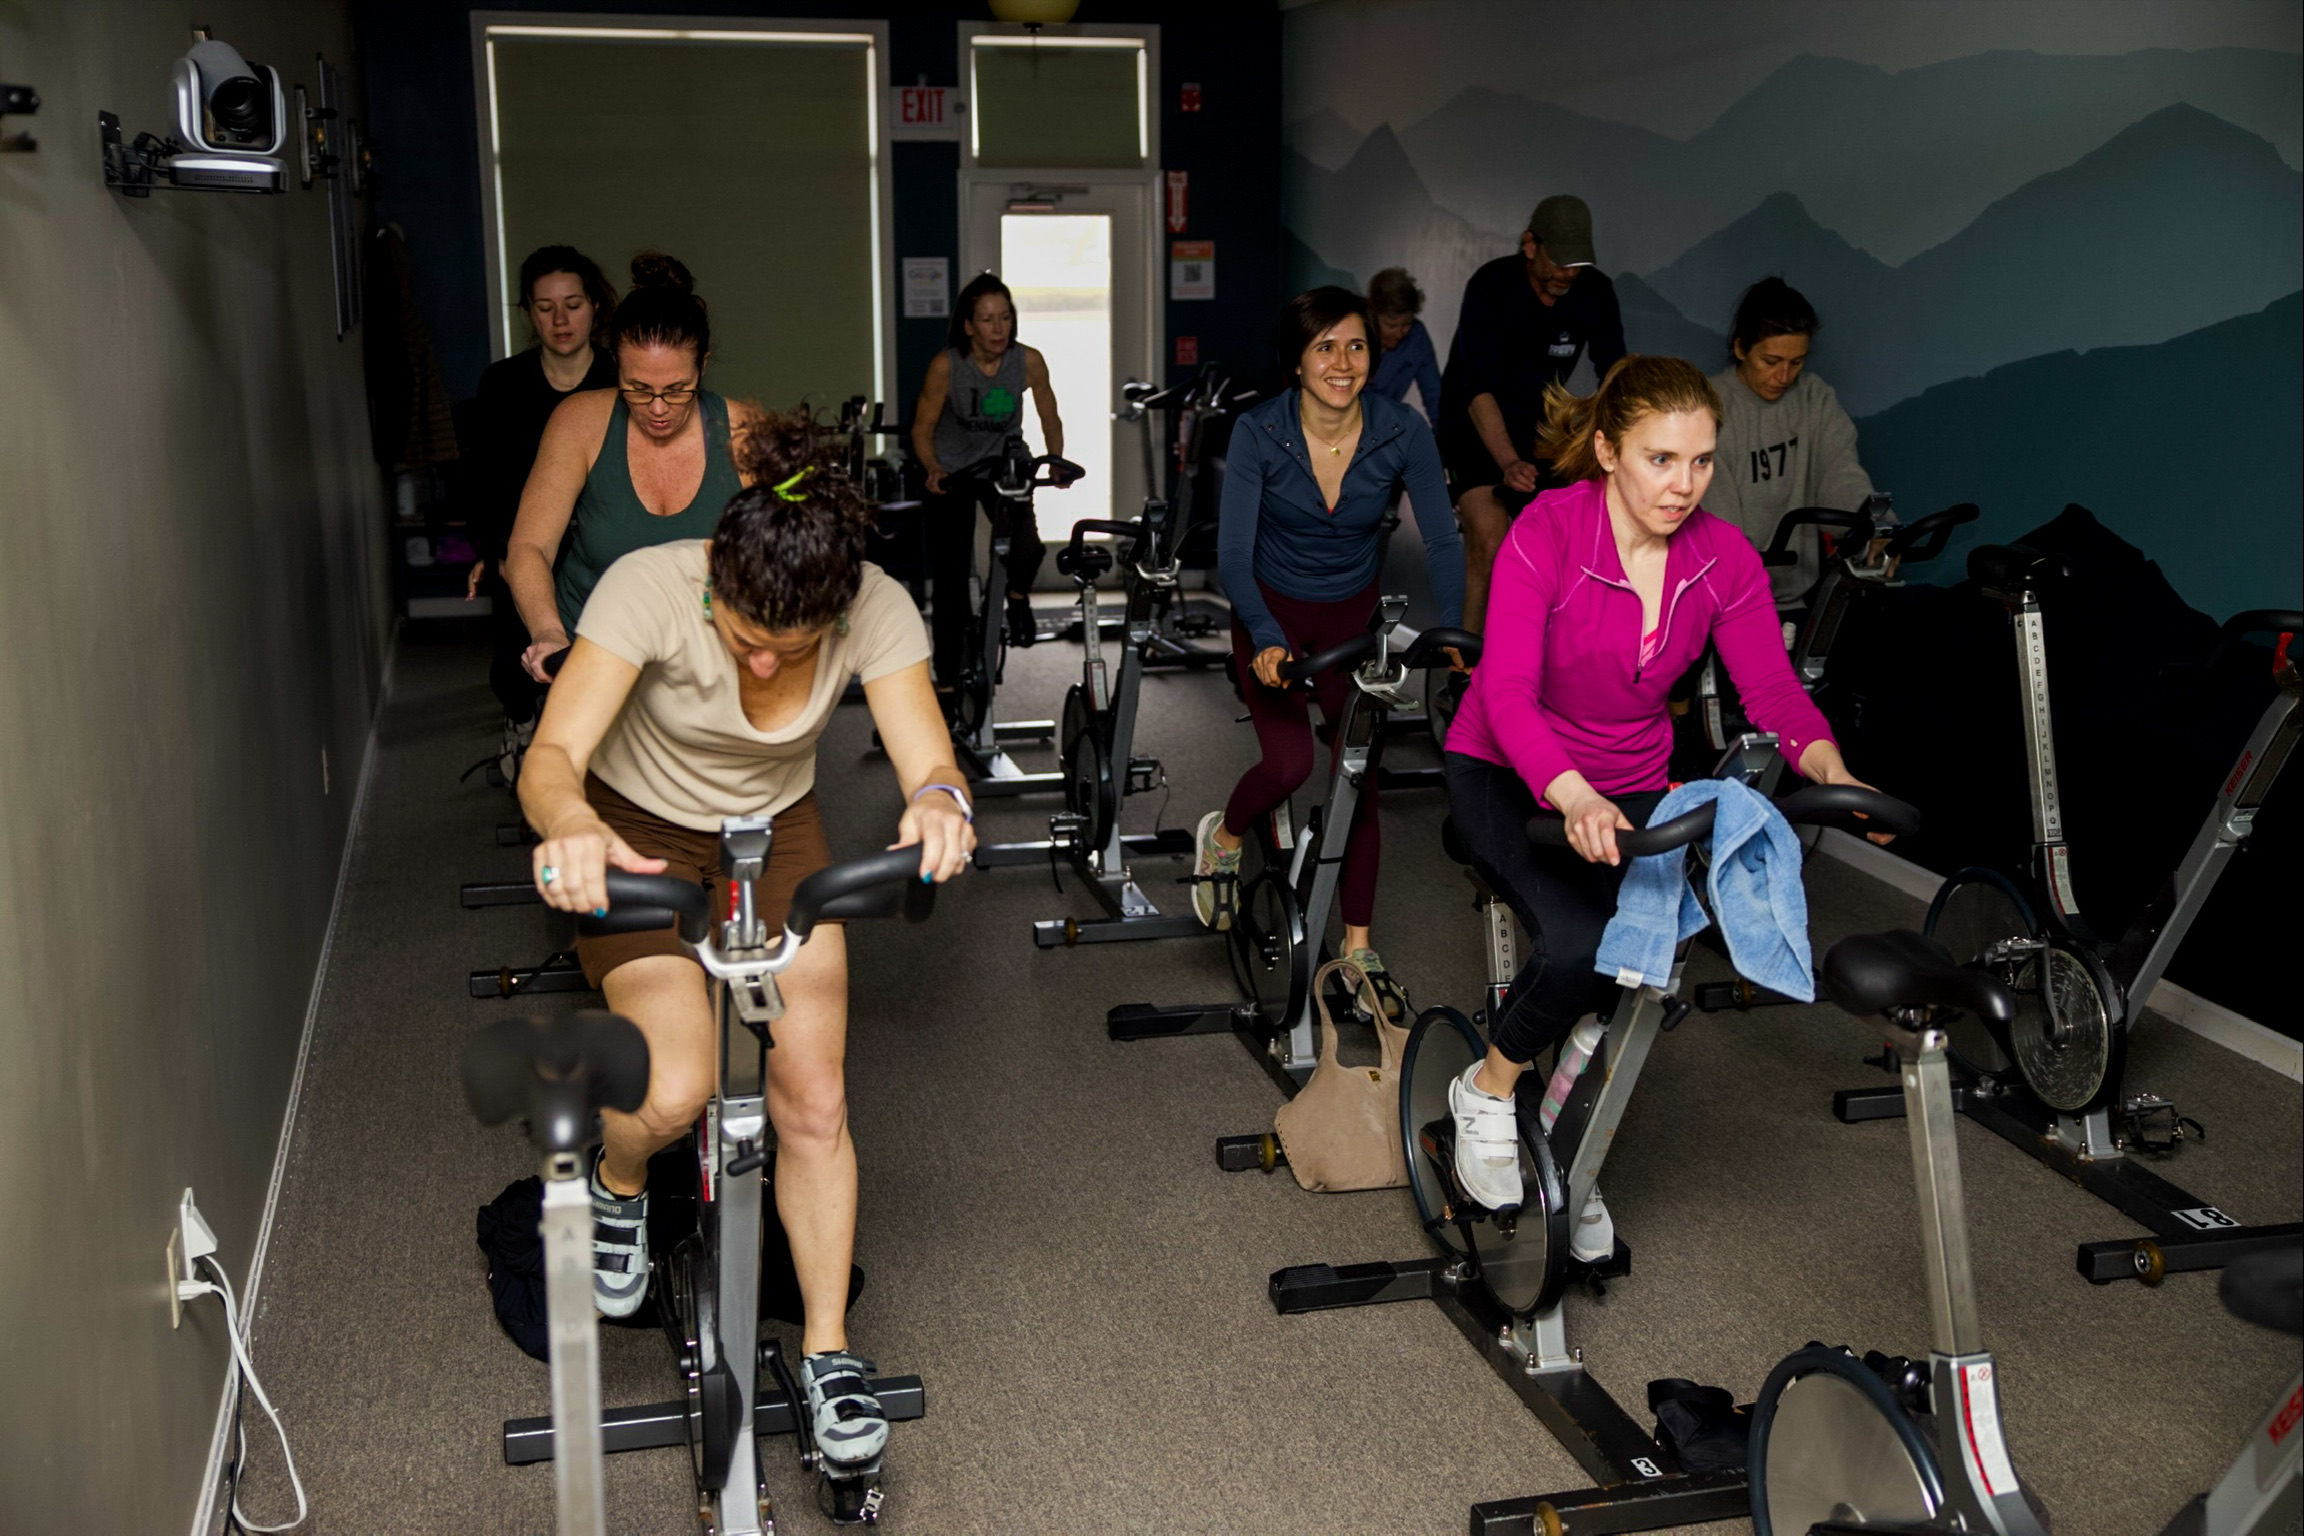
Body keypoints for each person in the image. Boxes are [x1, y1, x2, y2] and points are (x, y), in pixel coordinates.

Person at [519, 408, 971, 1469]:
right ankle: (615, 1180)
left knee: (813, 1101)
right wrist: (575, 823)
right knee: (673, 1090)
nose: (764, 668)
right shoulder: (650, 586)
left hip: (774, 837)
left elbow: (929, 760)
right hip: (634, 834)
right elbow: (550, 760)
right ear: (717, 580)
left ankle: (826, 1351)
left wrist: (942, 804)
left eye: (793, 651)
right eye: (744, 640)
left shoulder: (879, 608)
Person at [1439, 354, 1884, 1249]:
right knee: (1574, 946)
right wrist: (1572, 796)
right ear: (1607, 450)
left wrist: (1832, 770)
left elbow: (1772, 690)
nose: (1684, 486)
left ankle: (1566, 1143)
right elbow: (1507, 691)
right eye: (1660, 460)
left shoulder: (1719, 559)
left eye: (1702, 461)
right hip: (1508, 763)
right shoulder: (1548, 534)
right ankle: (1485, 1090)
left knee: (1638, 969)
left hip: (1635, 773)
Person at [1190, 287, 1466, 1017]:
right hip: (1270, 614)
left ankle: (1357, 945)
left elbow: (1441, 538)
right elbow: (1235, 555)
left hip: (1351, 621)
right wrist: (1267, 637)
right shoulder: (1258, 432)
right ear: (1297, 361)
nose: (1342, 363)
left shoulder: (1402, 430)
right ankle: (1224, 834)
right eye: (1325, 347)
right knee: (1290, 765)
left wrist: (1458, 630)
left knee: (1358, 772)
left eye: (1356, 346)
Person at [502, 251, 761, 683]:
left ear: (704, 366)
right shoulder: (578, 422)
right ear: (615, 366)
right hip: (595, 650)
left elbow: (784, 558)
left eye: (678, 390)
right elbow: (530, 548)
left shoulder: (745, 434)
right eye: (637, 389)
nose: (658, 409)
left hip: (709, 656)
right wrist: (549, 634)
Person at [1438, 196, 1627, 633]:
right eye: (1559, 263)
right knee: (1490, 540)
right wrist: (1507, 462)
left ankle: (1540, 665)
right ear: (1530, 245)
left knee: (1564, 543)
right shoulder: (1490, 286)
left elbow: (1616, 374)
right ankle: (1463, 674)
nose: (1568, 274)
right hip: (1473, 423)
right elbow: (1477, 389)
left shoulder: (1595, 292)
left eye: (1577, 264)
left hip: (1540, 425)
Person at [464, 246, 622, 724]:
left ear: (594, 305)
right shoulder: (502, 384)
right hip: (526, 545)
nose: (560, 319)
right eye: (545, 307)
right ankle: (526, 730)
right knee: (521, 671)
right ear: (529, 313)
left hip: (606, 543)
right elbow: (482, 482)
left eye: (572, 304)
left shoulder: (623, 379)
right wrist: (493, 552)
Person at [908, 274, 1070, 698]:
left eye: (1005, 317)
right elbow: (922, 430)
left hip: (1004, 464)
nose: (999, 329)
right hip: (952, 469)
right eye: (987, 320)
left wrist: (1055, 461)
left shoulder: (1028, 360)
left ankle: (1016, 596)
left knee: (1028, 548)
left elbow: (1050, 418)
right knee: (951, 580)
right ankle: (946, 681)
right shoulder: (947, 366)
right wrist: (932, 468)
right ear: (968, 325)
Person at [1705, 277, 1875, 607]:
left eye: (1796, 362)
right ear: (1740, 349)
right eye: (1771, 362)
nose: (1784, 376)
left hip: (1797, 596)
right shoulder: (1709, 407)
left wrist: (1874, 532)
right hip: (1729, 601)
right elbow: (1717, 523)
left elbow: (1839, 475)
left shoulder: (1814, 398)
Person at [1367, 267, 1442, 425]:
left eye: (1406, 324)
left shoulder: (1417, 337)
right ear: (1372, 315)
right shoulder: (1353, 332)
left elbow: (1435, 395)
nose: (1400, 333)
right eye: (1391, 325)